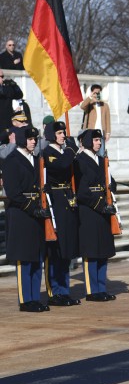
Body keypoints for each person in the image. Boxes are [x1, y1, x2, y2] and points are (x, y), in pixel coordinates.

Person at [3, 126, 51, 312]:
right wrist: (32, 207)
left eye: (34, 139)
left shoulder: (37, 159)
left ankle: (35, 297)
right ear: (23, 140)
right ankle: (25, 300)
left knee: (36, 256)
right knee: (24, 258)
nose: (33, 141)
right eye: (30, 139)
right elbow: (14, 192)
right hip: (21, 213)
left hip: (36, 212)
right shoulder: (11, 161)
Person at [75, 129, 118, 301]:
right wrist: (100, 205)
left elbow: (110, 180)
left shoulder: (101, 160)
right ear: (87, 142)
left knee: (103, 251)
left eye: (99, 140)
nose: (99, 143)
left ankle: (101, 288)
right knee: (92, 252)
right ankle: (92, 291)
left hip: (103, 210)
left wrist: (111, 187)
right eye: (95, 140)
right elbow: (82, 191)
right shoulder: (79, 161)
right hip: (90, 210)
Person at [42, 121, 81, 307]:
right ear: (51, 135)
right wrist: (71, 151)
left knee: (65, 249)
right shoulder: (48, 153)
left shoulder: (64, 151)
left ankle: (64, 291)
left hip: (67, 198)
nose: (63, 135)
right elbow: (61, 166)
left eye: (64, 132)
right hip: (55, 200)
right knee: (54, 250)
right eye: (59, 133)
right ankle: (54, 291)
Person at [80, 84, 111, 157]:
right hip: (91, 133)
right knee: (90, 153)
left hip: (101, 134)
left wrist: (108, 133)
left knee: (101, 154)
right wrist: (90, 97)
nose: (97, 94)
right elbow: (82, 106)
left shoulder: (105, 105)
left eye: (98, 93)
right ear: (92, 92)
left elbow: (108, 120)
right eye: (95, 93)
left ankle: (100, 167)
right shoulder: (89, 104)